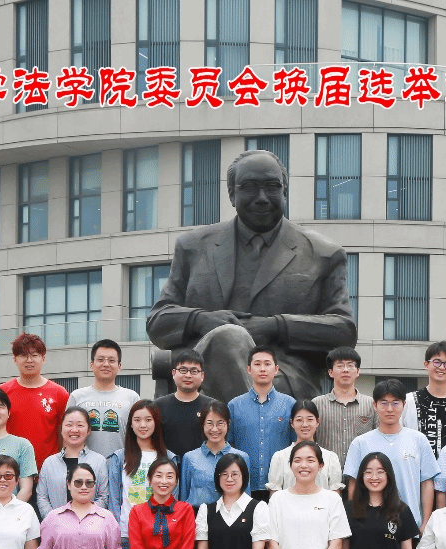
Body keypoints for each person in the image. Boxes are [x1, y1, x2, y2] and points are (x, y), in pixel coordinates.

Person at [146, 148, 356, 402]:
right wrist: (201, 321)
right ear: (232, 194)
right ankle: (253, 418)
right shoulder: (193, 247)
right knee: (228, 337)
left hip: (282, 378)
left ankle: (246, 418)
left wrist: (276, 327)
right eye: (250, 187)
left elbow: (344, 330)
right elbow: (158, 320)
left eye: (272, 187)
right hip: (202, 377)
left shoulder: (323, 253)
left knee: (233, 342)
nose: (262, 197)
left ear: (285, 192)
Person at [267, 441, 352, 549]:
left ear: (321, 466)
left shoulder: (332, 499)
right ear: (290, 465)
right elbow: (271, 542)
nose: (303, 465)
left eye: (310, 460)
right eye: (297, 460)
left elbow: (336, 543)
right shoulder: (277, 499)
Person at [344, 379, 439, 530]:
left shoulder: (419, 440)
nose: (389, 409)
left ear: (404, 405)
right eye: (384, 403)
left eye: (395, 403)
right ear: (375, 405)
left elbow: (427, 483)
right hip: (369, 526)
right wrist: (354, 521)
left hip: (411, 526)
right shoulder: (360, 443)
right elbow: (353, 484)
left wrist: (425, 523)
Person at [107, 399, 176, 549]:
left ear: (156, 423)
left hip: (160, 536)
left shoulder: (169, 458)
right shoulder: (119, 457)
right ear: (130, 424)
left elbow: (175, 500)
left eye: (148, 420)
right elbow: (114, 498)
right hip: (127, 535)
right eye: (137, 420)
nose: (142, 425)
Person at [0, 333, 72, 479]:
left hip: (48, 474)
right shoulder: (2, 393)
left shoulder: (59, 393)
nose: (29, 360)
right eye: (23, 355)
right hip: (9, 474)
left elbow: (63, 434)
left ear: (43, 358)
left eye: (34, 355)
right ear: (14, 359)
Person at [227, 345, 296, 496]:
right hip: (244, 486)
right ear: (249, 369)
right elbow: (228, 446)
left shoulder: (289, 404)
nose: (262, 369)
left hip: (281, 487)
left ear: (276, 369)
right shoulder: (234, 406)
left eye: (267, 364)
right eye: (257, 364)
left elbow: (296, 444)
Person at [69, 339, 141, 458]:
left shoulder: (132, 397)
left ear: (119, 366)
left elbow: (139, 435)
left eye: (111, 360)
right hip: (84, 466)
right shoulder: (77, 396)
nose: (106, 364)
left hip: (121, 465)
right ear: (91, 364)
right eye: (101, 360)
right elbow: (67, 435)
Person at [35, 406, 112, 515]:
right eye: (69, 425)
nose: (74, 430)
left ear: (88, 430)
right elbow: (42, 497)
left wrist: (87, 517)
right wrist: (54, 519)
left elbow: (103, 496)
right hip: (56, 523)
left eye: (80, 425)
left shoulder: (99, 461)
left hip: (91, 523)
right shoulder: (49, 463)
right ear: (61, 429)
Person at [312, 346, 376, 468]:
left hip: (361, 473)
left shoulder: (371, 404)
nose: (345, 370)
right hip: (326, 472)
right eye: (340, 366)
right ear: (330, 372)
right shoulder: (317, 404)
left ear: (358, 371)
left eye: (350, 365)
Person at [400, 341, 446, 456]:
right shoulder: (409, 401)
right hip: (417, 466)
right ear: (426, 364)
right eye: (437, 362)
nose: (442, 367)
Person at [178, 400, 248, 508]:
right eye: (210, 423)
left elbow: (246, 499)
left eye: (220, 423)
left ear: (228, 424)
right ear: (203, 425)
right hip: (197, 516)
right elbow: (183, 499)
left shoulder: (241, 457)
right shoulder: (190, 458)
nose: (215, 429)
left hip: (231, 515)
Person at [266, 399, 343, 492]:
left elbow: (335, 496)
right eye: (299, 420)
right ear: (292, 423)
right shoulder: (280, 457)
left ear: (318, 422)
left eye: (310, 419)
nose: (305, 425)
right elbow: (275, 495)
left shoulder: (330, 458)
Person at [153, 349, 216, 457]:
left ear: (202, 376)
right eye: (183, 370)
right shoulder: (158, 406)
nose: (188, 375)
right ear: (174, 373)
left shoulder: (212, 407)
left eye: (194, 371)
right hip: (168, 466)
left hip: (203, 466)